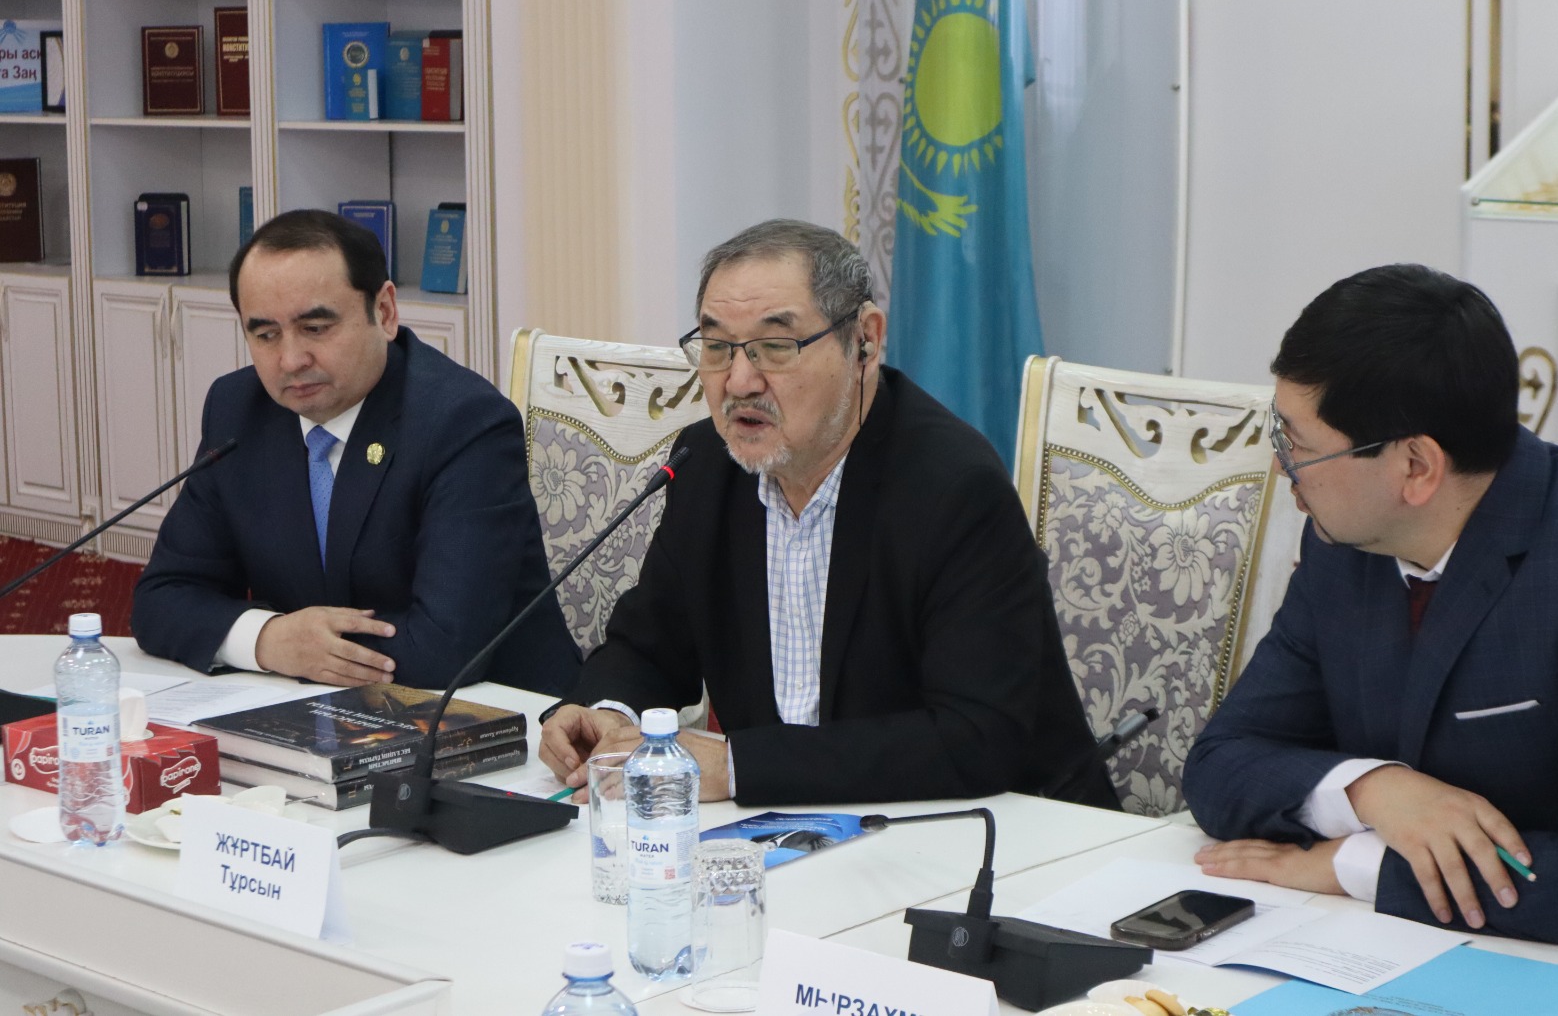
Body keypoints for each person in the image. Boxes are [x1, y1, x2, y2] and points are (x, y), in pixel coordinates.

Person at [537, 218, 1114, 808]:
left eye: (775, 347)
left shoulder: (954, 488)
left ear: (864, 342)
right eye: (717, 347)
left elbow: (974, 738)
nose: (739, 381)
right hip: (793, 829)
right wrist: (606, 711)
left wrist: (736, 766)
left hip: (1009, 831)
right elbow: (649, 646)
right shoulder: (708, 466)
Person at [1184, 264, 1558, 947]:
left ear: (1415, 467)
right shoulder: (1346, 543)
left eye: (1299, 447)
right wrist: (1372, 790)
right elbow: (1222, 763)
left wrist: (1356, 865)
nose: (1281, 467)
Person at [131, 209, 579, 694]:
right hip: (316, 709)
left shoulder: (465, 423)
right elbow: (161, 599)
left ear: (384, 312)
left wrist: (307, 650)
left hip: (496, 713)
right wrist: (268, 639)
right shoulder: (238, 410)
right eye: (265, 335)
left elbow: (444, 649)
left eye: (315, 328)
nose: (291, 360)